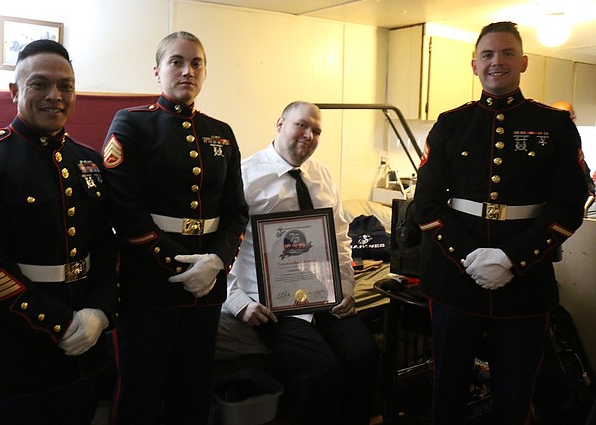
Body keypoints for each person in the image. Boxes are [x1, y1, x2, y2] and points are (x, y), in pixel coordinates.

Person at [413, 21, 588, 425]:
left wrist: (511, 258)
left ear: (524, 62)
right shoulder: (451, 123)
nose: (498, 62)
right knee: (449, 389)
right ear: (474, 65)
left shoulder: (554, 125)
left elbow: (567, 205)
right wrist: (470, 257)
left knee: (517, 390)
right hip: (456, 278)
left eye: (507, 53)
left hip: (525, 282)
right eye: (488, 55)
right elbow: (426, 205)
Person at [0, 39, 118, 425]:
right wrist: (60, 324)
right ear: (15, 92)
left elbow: (106, 246)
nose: (55, 96)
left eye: (66, 86)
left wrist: (100, 312)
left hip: (84, 349)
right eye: (40, 84)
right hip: (16, 348)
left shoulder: (88, 160)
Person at [102, 31, 248, 425]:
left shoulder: (222, 131)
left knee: (194, 387)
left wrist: (216, 261)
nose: (187, 70)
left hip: (207, 289)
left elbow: (237, 210)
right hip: (149, 284)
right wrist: (181, 268)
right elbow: (125, 211)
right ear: (157, 71)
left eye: (196, 63)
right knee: (139, 389)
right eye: (176, 62)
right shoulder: (132, 124)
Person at [224, 101, 379, 425]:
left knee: (364, 354)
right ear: (280, 123)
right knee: (322, 369)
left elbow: (339, 237)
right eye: (302, 125)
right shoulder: (244, 176)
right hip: (272, 302)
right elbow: (222, 248)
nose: (309, 135)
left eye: (317, 130)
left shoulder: (321, 175)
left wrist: (347, 287)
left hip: (324, 295)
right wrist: (238, 302)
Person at [551, 100, 596, 197]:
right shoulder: (547, 143)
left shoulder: (573, 140)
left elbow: (583, 175)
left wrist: (590, 191)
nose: (572, 120)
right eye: (567, 118)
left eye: (573, 116)